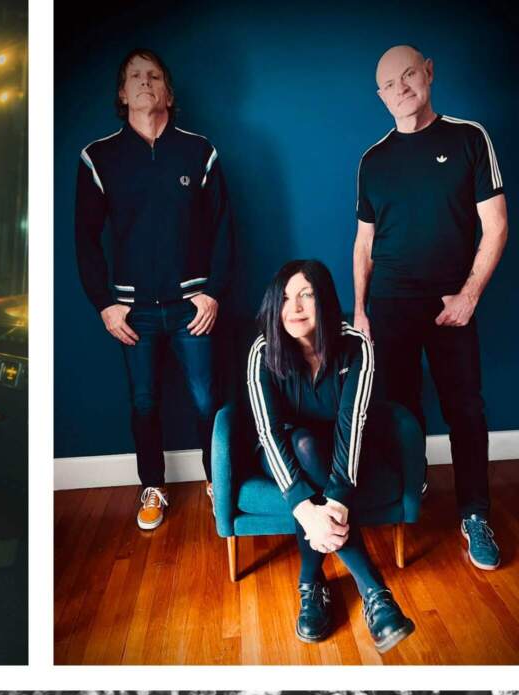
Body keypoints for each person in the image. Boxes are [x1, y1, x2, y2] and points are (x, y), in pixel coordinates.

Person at [355, 44, 506, 570]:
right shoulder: (372, 160)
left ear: (429, 73)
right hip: (391, 305)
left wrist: (470, 295)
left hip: (451, 306)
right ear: (380, 96)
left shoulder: (469, 138)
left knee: (466, 409)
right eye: (389, 84)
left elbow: (497, 225)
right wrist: (360, 309)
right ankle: (411, 490)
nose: (401, 89)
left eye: (409, 76)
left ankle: (474, 515)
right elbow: (363, 243)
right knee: (400, 407)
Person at [74, 49, 232, 535]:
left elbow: (224, 228)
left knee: (208, 401)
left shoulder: (198, 150)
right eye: (135, 77)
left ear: (168, 91)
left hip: (192, 307)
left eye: (154, 76)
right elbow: (84, 237)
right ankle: (152, 486)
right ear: (123, 93)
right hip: (133, 310)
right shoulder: (99, 156)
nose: (145, 83)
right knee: (144, 402)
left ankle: (216, 482)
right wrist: (104, 303)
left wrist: (213, 293)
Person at [241, 259, 416, 650]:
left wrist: (332, 501)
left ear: (325, 300)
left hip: (341, 453)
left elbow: (352, 425)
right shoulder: (262, 351)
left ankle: (311, 584)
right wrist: (304, 508)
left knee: (314, 448)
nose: (295, 307)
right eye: (285, 297)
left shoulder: (355, 345)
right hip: (283, 454)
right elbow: (268, 433)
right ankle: (374, 591)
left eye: (306, 295)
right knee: (302, 442)